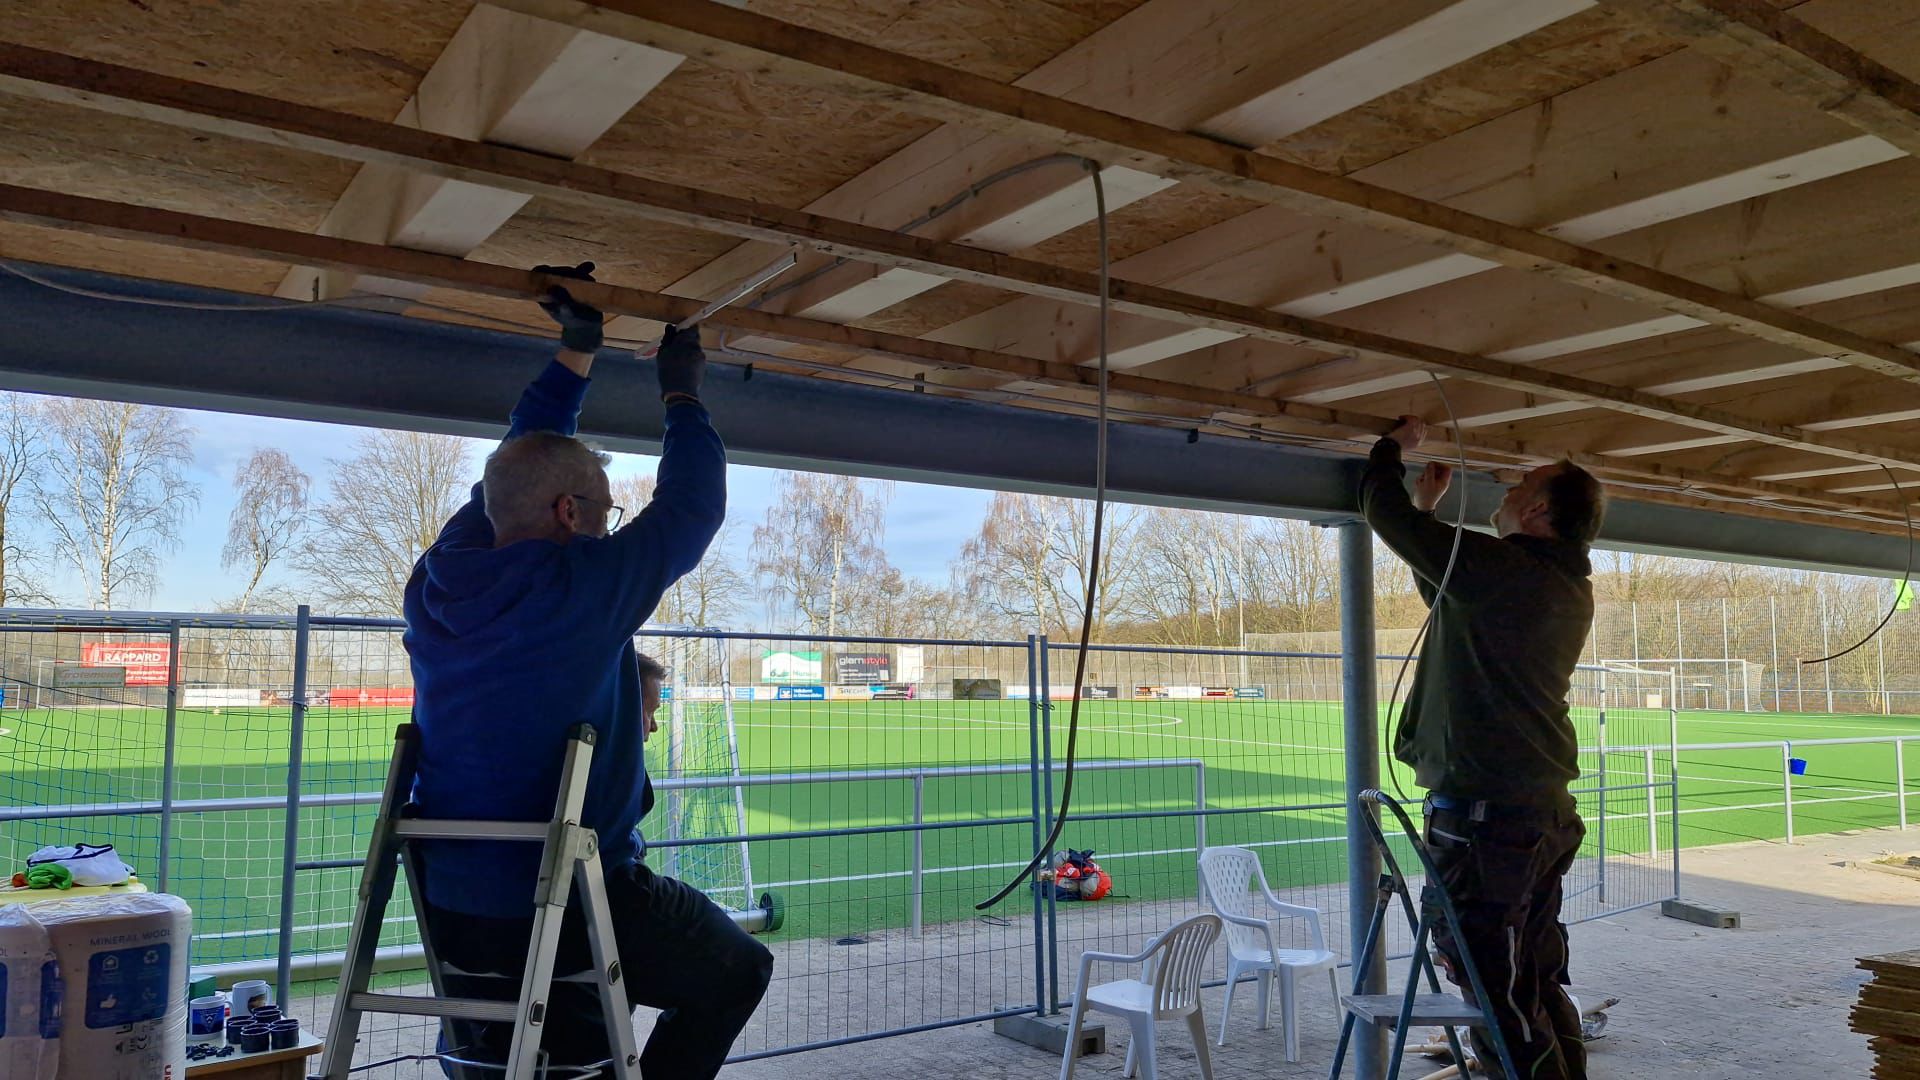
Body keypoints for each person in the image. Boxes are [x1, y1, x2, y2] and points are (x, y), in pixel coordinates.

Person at [401, 262, 771, 1078]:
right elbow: (692, 510)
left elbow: (519, 460)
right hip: (574, 899)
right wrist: (684, 396)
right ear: (569, 516)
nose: (610, 526)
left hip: (456, 907)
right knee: (739, 969)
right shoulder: (581, 586)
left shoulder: (440, 574)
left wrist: (577, 352)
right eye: (604, 509)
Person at [1358, 414, 1605, 1080]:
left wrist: (1392, 453)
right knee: (1534, 982)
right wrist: (1427, 509)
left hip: (1490, 828)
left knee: (1499, 998)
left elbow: (1385, 517)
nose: (1501, 495)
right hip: (1532, 818)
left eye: (1515, 486)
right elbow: (1453, 588)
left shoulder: (1507, 573)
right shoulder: (1554, 583)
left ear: (1539, 508)